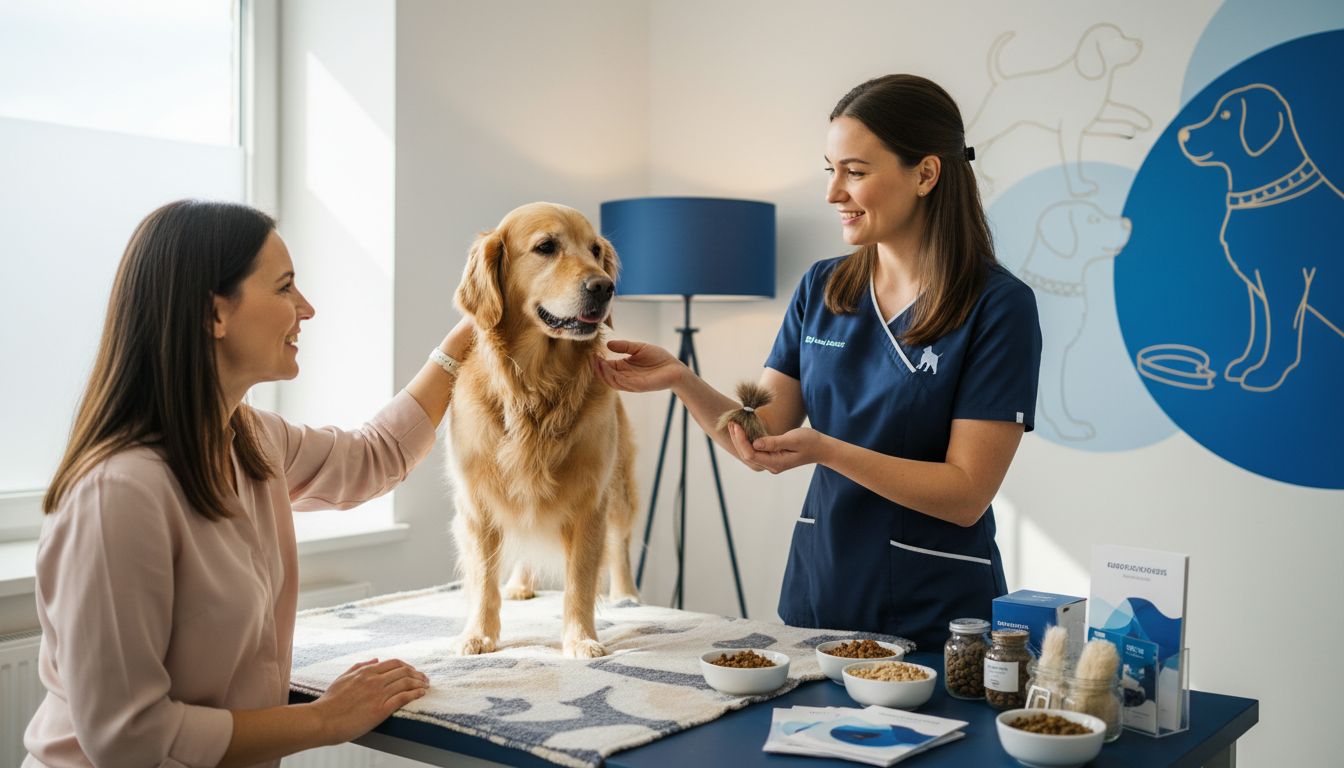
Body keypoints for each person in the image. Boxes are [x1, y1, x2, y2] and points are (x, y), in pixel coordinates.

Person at [595, 74, 1042, 650]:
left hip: (936, 612)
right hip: (818, 595)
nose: (834, 193)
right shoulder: (824, 288)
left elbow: (965, 495)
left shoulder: (998, 306)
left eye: (855, 172)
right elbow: (759, 438)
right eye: (829, 170)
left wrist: (827, 448)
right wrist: (680, 379)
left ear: (926, 174)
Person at [24, 200, 474, 767]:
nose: (306, 308)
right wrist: (323, 720)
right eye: (285, 288)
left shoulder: (251, 439)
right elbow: (129, 738)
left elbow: (371, 457)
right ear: (215, 314)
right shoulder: (118, 494)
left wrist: (466, 340)